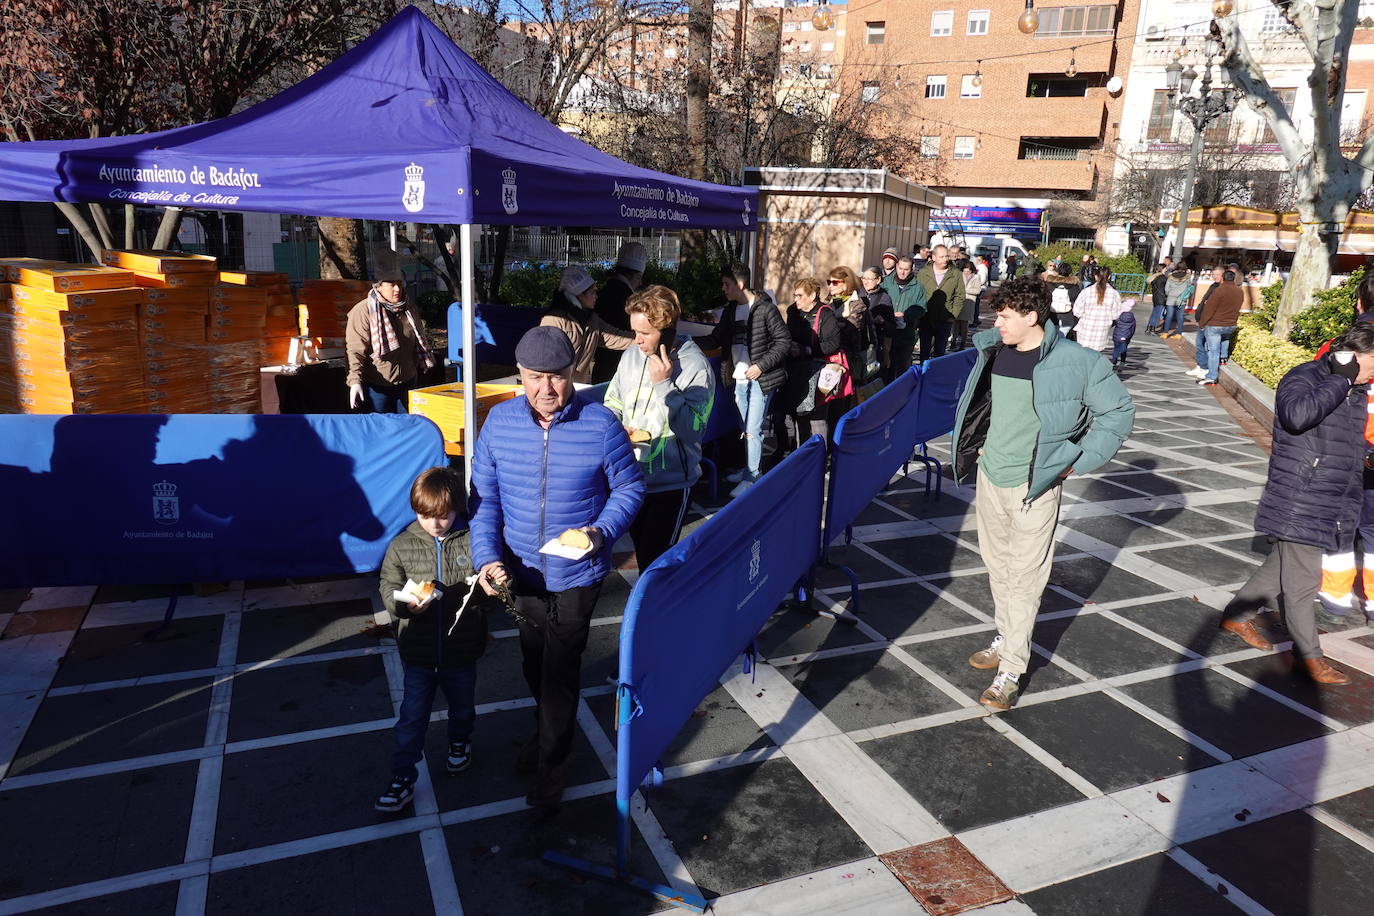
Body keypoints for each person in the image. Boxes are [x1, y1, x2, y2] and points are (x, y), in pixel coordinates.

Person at [469, 326, 646, 809]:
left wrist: (600, 533)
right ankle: (547, 731)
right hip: (520, 570)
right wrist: (487, 559)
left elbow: (630, 488)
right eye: (535, 377)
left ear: (573, 373)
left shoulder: (601, 424)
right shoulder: (498, 422)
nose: (547, 388)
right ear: (519, 376)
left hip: (578, 573)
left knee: (561, 668)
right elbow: (484, 501)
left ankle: (553, 763)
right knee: (533, 661)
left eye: (558, 377)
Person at [952, 277, 1135, 710]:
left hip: (1034, 486)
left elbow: (1119, 412)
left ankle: (1011, 670)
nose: (996, 323)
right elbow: (989, 407)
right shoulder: (994, 351)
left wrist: (1074, 463)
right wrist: (980, 444)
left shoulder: (1077, 361)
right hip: (991, 477)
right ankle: (1006, 636)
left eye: (1004, 316)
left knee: (1025, 578)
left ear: (1032, 316)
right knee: (998, 568)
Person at [1216, 324, 1374, 687]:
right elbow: (1297, 416)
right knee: (1303, 582)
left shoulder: (1355, 390)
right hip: (1302, 494)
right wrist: (1341, 379)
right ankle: (1309, 657)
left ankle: (1237, 616)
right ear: (1352, 357)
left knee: (1279, 567)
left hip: (1330, 495)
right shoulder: (1306, 377)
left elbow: (1339, 442)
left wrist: (1367, 459)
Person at [374, 467, 486, 813]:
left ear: (457, 509)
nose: (435, 524)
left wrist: (498, 584)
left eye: (443, 515)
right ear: (415, 510)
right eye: (426, 516)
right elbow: (388, 588)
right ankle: (401, 776)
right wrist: (404, 606)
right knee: (411, 717)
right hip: (419, 653)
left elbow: (495, 581)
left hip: (461, 648)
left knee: (462, 707)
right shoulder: (401, 545)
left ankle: (459, 742)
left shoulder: (474, 540)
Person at [604, 286, 713, 564]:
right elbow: (613, 401)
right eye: (634, 331)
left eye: (645, 333)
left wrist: (665, 385)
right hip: (631, 478)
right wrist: (615, 427)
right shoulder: (631, 356)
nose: (637, 340)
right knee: (642, 554)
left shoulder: (695, 367)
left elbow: (693, 431)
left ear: (666, 331)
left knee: (657, 563)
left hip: (671, 485)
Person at [707, 264, 792, 488]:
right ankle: (748, 469)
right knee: (745, 428)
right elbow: (716, 338)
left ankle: (752, 477)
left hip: (760, 380)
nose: (723, 289)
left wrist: (761, 366)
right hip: (740, 379)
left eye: (727, 284)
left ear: (740, 284)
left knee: (753, 430)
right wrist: (682, 341)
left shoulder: (766, 309)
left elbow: (784, 341)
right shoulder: (731, 310)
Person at [346, 266, 435, 413]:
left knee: (407, 425)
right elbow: (355, 350)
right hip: (378, 386)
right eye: (391, 284)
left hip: (408, 381)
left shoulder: (408, 308)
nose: (397, 289)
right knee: (381, 426)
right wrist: (355, 381)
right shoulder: (363, 311)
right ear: (378, 287)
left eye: (399, 283)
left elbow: (418, 340)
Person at [782, 277, 848, 445]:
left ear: (812, 296)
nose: (796, 299)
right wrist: (790, 345)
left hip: (818, 370)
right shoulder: (793, 311)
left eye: (800, 295)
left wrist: (807, 350)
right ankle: (801, 452)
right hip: (797, 369)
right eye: (795, 295)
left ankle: (820, 453)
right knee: (799, 414)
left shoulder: (825, 313)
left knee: (817, 418)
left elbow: (833, 343)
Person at [541, 265, 633, 384]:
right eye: (592, 292)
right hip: (555, 386)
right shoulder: (554, 320)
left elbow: (617, 337)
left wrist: (646, 338)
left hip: (579, 387)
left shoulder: (592, 320)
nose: (596, 296)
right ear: (580, 294)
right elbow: (544, 359)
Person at [591, 242, 648, 382]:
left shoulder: (604, 292)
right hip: (619, 368)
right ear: (635, 276)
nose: (640, 283)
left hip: (600, 366)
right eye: (639, 278)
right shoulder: (628, 300)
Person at [1190, 269, 1244, 387]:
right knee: (1224, 339)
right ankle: (1223, 358)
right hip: (1230, 324)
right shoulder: (1240, 291)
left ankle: (1212, 376)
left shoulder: (1219, 291)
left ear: (1223, 278)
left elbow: (1209, 309)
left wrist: (1202, 323)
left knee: (1213, 351)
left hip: (1215, 324)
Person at [916, 244, 966, 362]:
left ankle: (936, 373)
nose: (945, 259)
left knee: (940, 353)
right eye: (941, 257)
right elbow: (917, 294)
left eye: (946, 256)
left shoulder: (956, 274)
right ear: (934, 257)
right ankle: (924, 372)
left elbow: (960, 296)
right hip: (926, 318)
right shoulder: (923, 273)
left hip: (945, 319)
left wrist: (953, 315)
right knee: (924, 352)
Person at [881, 255, 927, 380]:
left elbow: (921, 308)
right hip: (887, 331)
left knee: (903, 366)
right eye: (900, 268)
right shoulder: (886, 283)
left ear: (912, 269)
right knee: (887, 366)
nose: (902, 272)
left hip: (906, 333)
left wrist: (906, 315)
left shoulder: (918, 287)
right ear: (896, 267)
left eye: (906, 269)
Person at [828, 266, 867, 382]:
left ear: (846, 284)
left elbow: (853, 330)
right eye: (829, 282)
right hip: (830, 355)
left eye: (834, 282)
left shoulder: (857, 304)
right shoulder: (828, 301)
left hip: (849, 358)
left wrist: (832, 325)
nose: (830, 286)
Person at [1071, 267, 1124, 352]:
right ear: (1109, 277)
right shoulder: (1114, 294)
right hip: (1102, 331)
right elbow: (1116, 315)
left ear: (1095, 276)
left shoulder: (1086, 291)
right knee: (1096, 355)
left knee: (1083, 353)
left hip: (1085, 329)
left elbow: (1077, 312)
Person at [860, 265, 896, 378]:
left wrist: (882, 322)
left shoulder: (884, 298)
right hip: (859, 342)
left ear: (878, 280)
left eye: (869, 279)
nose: (865, 282)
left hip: (875, 345)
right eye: (863, 278)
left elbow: (891, 327)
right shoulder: (857, 293)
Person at [953, 259, 982, 351]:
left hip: (969, 303)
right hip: (958, 301)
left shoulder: (976, 278)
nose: (966, 272)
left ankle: (963, 343)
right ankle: (953, 341)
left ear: (972, 270)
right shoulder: (959, 276)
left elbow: (977, 290)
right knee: (955, 323)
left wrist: (964, 290)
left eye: (968, 270)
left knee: (964, 324)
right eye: (965, 270)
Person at [1162, 266, 1193, 338]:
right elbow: (1189, 288)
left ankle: (1165, 333)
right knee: (1180, 317)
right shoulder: (1187, 277)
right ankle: (1179, 333)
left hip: (1171, 298)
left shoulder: (1170, 277)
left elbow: (1166, 289)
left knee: (1169, 316)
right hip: (1182, 299)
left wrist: (1169, 294)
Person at [1110, 301, 1137, 371]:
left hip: (1117, 337)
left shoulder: (1119, 318)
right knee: (1124, 350)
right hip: (1126, 337)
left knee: (1116, 349)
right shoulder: (1132, 319)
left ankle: (1114, 361)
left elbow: (1112, 324)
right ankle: (1122, 362)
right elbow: (1133, 329)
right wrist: (1129, 337)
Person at [1146, 263, 1171, 333]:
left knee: (1154, 313)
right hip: (1161, 298)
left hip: (1155, 297)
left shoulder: (1154, 277)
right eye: (1165, 268)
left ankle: (1149, 328)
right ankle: (1152, 329)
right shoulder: (1163, 278)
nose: (1166, 270)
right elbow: (1167, 288)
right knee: (1157, 314)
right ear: (1162, 269)